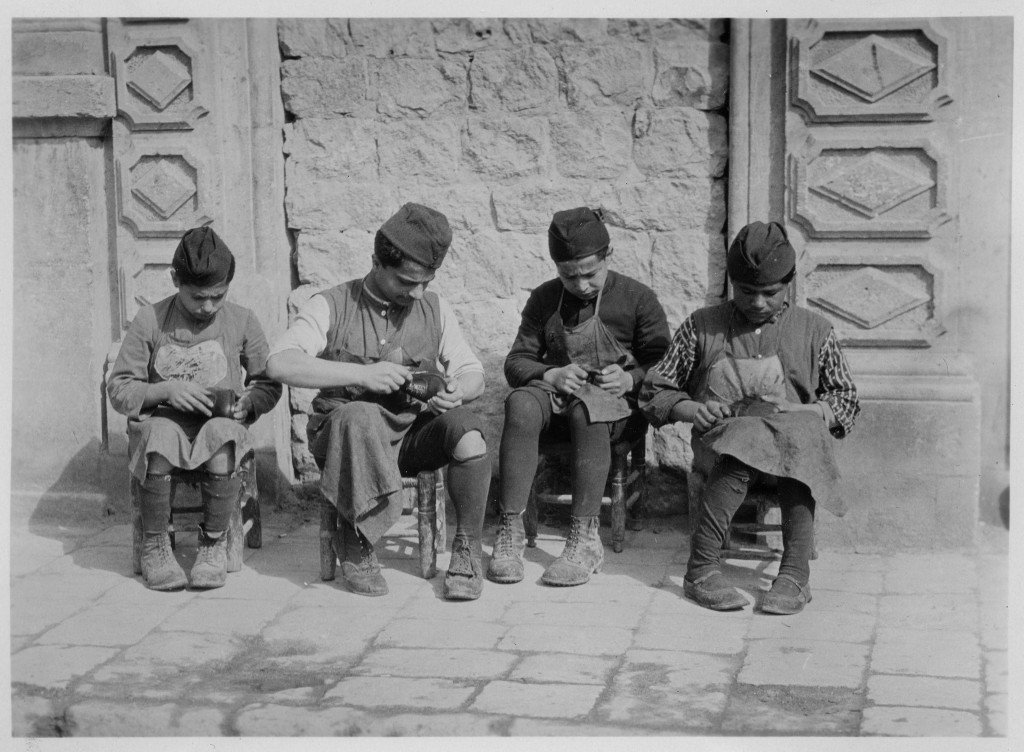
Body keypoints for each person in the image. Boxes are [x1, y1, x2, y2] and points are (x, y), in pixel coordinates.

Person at [266, 203, 490, 601]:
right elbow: (279, 363)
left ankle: (467, 550)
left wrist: (460, 388)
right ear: (376, 262)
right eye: (407, 282)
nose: (417, 293)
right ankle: (356, 541)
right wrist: (361, 374)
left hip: (406, 439)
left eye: (426, 281)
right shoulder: (332, 304)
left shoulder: (433, 307)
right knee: (360, 414)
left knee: (468, 431)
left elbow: (473, 371)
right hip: (344, 442)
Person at [640, 221, 859, 614]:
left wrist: (806, 410)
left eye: (769, 293)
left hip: (792, 456)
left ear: (788, 285)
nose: (757, 302)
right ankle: (702, 569)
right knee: (744, 443)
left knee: (801, 444)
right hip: (723, 454)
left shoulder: (816, 331)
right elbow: (655, 390)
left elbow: (845, 401)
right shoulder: (701, 326)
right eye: (746, 291)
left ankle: (793, 576)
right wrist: (693, 409)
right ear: (731, 284)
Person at [491, 207, 670, 587]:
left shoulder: (638, 298)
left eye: (590, 273)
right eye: (569, 276)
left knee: (586, 410)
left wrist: (630, 377)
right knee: (521, 403)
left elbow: (666, 365)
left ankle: (584, 540)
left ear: (609, 255)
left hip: (614, 413)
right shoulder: (545, 299)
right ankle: (510, 533)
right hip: (560, 402)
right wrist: (550, 373)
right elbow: (516, 362)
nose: (582, 285)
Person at [107, 226, 282, 591]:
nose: (207, 307)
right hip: (164, 423)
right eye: (197, 297)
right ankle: (155, 545)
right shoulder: (150, 320)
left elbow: (268, 382)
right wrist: (165, 390)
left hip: (218, 425)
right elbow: (120, 388)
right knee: (159, 433)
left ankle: (213, 542)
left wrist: (249, 404)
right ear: (175, 280)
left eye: (217, 297)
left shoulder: (242, 320)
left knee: (221, 434)